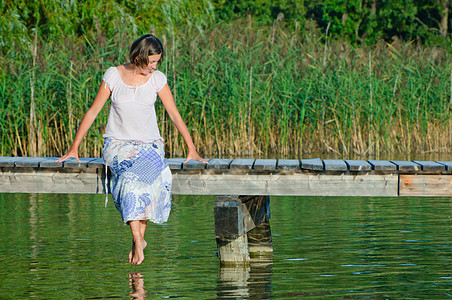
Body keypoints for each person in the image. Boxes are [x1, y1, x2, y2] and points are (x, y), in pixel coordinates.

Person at [57, 34, 207, 265]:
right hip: (118, 146)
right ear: (138, 57)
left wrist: (192, 148)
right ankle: (138, 240)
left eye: (158, 61)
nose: (155, 66)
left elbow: (174, 114)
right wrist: (74, 147)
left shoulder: (157, 80)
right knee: (129, 178)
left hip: (149, 146)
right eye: (152, 61)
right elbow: (93, 111)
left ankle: (138, 241)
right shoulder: (113, 76)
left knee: (150, 177)